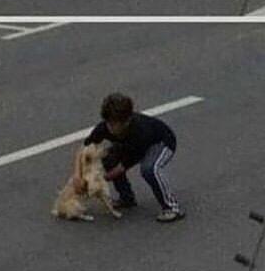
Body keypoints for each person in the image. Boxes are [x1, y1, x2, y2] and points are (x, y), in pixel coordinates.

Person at [74, 92, 185, 223]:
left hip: (161, 143)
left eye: (114, 124)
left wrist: (99, 180)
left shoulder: (140, 131)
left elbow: (123, 166)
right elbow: (83, 149)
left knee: (149, 169)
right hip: (129, 146)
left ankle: (172, 208)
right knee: (107, 160)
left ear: (126, 122)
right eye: (108, 123)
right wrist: (78, 175)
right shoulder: (104, 128)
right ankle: (127, 198)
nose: (110, 128)